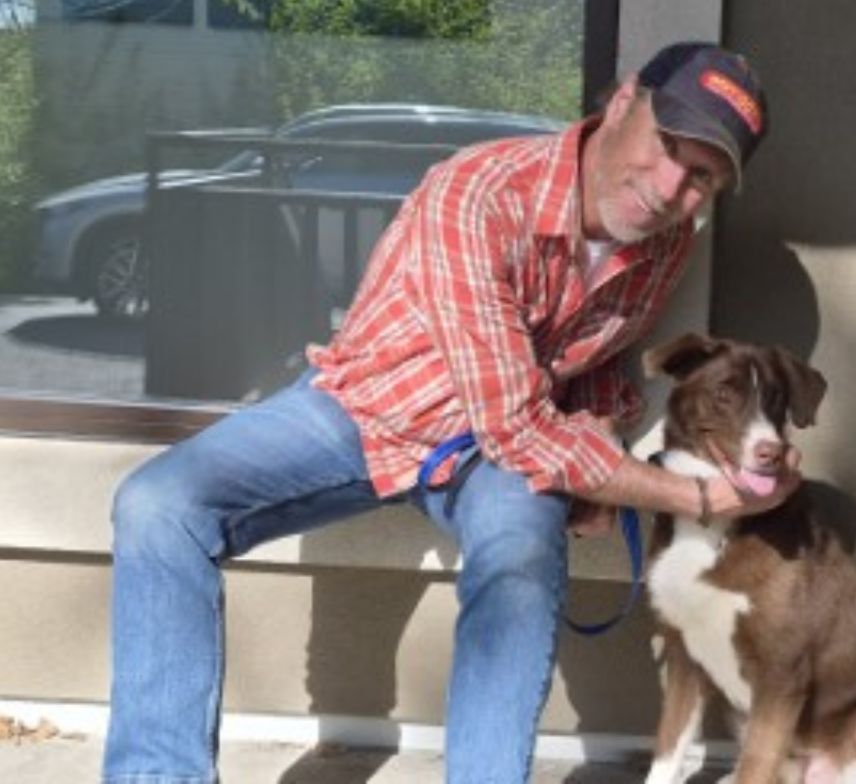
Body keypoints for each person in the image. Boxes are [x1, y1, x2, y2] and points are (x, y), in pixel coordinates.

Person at [102, 41, 797, 784]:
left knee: (521, 553)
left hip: (484, 457)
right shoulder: (479, 192)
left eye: (702, 178)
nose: (669, 190)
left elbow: (591, 359)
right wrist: (688, 494)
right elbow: (520, 429)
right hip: (368, 408)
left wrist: (601, 430)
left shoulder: (665, 243)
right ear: (624, 102)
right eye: (667, 147)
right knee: (157, 503)